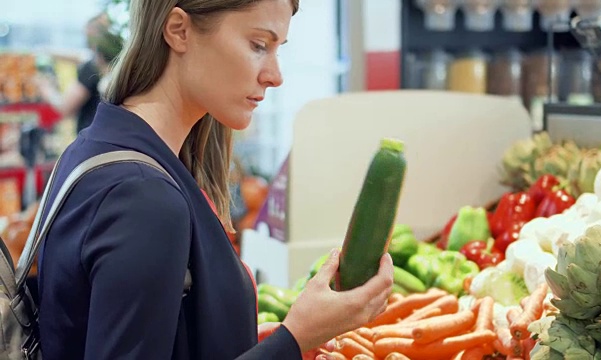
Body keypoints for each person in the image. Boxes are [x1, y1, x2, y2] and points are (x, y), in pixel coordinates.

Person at [36, 0, 394, 359]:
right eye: (258, 45)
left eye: (277, 49)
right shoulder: (142, 195)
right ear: (179, 30)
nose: (275, 75)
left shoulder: (98, 148)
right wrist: (294, 339)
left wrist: (225, 336)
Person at [38, 13, 123, 134]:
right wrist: (47, 51)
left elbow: (65, 107)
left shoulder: (92, 68)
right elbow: (80, 56)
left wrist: (46, 90)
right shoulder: (118, 64)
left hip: (91, 138)